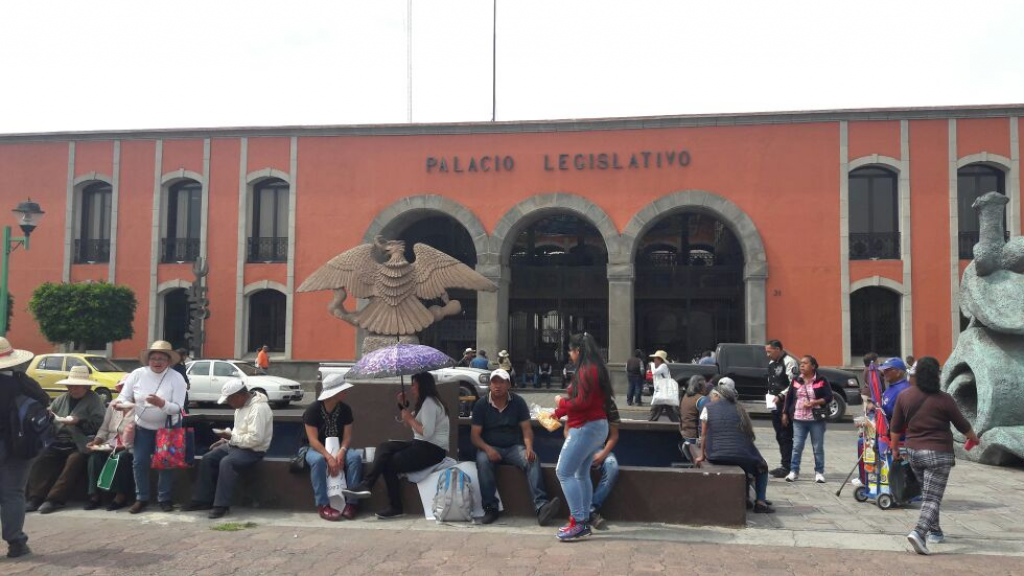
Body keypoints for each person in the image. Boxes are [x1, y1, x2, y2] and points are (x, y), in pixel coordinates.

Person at [889, 356, 981, 556]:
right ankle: (919, 533)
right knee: (933, 497)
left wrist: (894, 448)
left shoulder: (905, 396)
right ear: (937, 376)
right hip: (939, 454)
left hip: (914, 453)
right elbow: (962, 425)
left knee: (929, 493)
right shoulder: (945, 399)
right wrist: (973, 438)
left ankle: (935, 531)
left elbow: (895, 427)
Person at [344, 372, 449, 519]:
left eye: (414, 385)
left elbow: (427, 433)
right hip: (420, 444)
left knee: (389, 463)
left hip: (432, 449)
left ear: (422, 386)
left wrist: (410, 418)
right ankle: (367, 484)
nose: (412, 388)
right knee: (384, 447)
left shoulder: (430, 403)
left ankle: (394, 505)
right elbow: (409, 423)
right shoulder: (423, 403)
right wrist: (403, 406)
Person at [471, 369, 560, 526]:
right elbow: (475, 436)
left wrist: (529, 448)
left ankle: (541, 507)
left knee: (532, 459)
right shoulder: (481, 404)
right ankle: (490, 508)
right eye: (494, 382)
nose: (497, 385)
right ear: (490, 385)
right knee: (483, 461)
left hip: (513, 447)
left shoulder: (518, 402)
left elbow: (527, 429)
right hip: (490, 446)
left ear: (508, 385)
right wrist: (488, 448)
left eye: (501, 382)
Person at [112, 340, 189, 514]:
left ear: (168, 361)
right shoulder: (138, 374)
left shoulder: (177, 378)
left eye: (161, 358)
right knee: (139, 462)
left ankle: (165, 498)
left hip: (168, 428)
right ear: (148, 360)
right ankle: (142, 498)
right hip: (143, 426)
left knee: (166, 464)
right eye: (153, 358)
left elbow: (178, 408)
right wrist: (120, 404)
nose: (157, 361)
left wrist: (161, 403)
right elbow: (124, 397)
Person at [551, 333, 611, 541]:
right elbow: (583, 401)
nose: (569, 354)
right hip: (596, 427)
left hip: (585, 428)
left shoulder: (586, 371)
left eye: (570, 350)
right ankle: (583, 519)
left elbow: (581, 404)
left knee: (563, 472)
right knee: (580, 473)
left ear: (577, 351)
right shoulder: (595, 369)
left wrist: (560, 403)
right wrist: (557, 414)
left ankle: (578, 521)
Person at [186, 379, 273, 519]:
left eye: (229, 400)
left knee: (227, 462)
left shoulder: (258, 409)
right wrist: (226, 439)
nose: (229, 404)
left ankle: (221, 505)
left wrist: (231, 438)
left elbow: (256, 440)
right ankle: (202, 500)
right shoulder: (240, 406)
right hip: (236, 446)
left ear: (239, 396)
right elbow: (240, 433)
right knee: (209, 458)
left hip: (254, 451)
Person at [25, 365, 105, 514]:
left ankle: (54, 499)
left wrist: (78, 422)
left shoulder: (95, 401)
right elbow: (49, 417)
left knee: (73, 462)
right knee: (41, 458)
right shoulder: (61, 399)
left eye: (77, 386)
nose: (73, 389)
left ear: (86, 387)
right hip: (57, 442)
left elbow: (97, 425)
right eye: (70, 386)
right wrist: (48, 417)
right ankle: (35, 497)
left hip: (81, 443)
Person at [0, 337, 48, 558]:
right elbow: (44, 401)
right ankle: (16, 542)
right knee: (14, 493)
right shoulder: (24, 382)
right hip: (22, 445)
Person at [696, 385, 774, 513]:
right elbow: (750, 435)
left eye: (711, 397)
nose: (710, 399)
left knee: (744, 465)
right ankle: (760, 501)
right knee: (761, 467)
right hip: (740, 455)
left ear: (716, 396)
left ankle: (746, 498)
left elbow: (703, 434)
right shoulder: (739, 408)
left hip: (716, 455)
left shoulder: (707, 408)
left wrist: (702, 455)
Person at [302, 374, 363, 521]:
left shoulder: (345, 409)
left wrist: (342, 451)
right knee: (318, 461)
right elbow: (313, 440)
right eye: (342, 390)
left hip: (339, 447)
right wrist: (328, 457)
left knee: (354, 458)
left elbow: (347, 436)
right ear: (334, 393)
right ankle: (323, 505)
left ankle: (351, 503)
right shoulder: (313, 410)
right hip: (315, 448)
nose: (345, 392)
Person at [84, 377, 135, 511]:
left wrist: (124, 446)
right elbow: (104, 428)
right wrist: (96, 441)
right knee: (95, 456)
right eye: (123, 388)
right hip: (111, 442)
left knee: (121, 457)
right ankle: (94, 495)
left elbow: (142, 434)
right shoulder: (114, 405)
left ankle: (120, 496)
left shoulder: (140, 407)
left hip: (131, 446)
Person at [782, 355, 833, 483]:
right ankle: (794, 471)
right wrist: (784, 413)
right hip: (798, 419)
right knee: (797, 446)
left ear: (813, 366)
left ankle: (819, 472)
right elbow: (789, 398)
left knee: (817, 447)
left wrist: (814, 402)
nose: (802, 366)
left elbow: (829, 397)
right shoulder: (796, 380)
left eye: (805, 363)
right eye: (801, 364)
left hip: (816, 420)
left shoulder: (821, 380)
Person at [765, 340, 798, 478]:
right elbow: (771, 382)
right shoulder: (771, 364)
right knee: (779, 434)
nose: (768, 354)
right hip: (774, 403)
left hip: (786, 403)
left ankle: (787, 466)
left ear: (778, 349)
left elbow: (793, 384)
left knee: (785, 435)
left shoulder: (789, 362)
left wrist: (780, 395)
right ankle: (784, 463)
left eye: (770, 351)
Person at [587, 396, 620, 531]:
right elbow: (567, 431)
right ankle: (588, 513)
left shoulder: (609, 403)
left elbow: (614, 435)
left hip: (601, 448)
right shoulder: (578, 399)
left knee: (612, 467)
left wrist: (603, 454)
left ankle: (590, 509)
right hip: (579, 447)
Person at [679, 375, 707, 463]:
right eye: (705, 386)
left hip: (684, 434)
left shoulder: (685, 397)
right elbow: (703, 422)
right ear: (700, 387)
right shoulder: (701, 399)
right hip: (694, 438)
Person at [647, 350, 679, 422]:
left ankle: (649, 426)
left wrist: (651, 365)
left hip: (661, 393)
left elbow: (654, 372)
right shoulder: (659, 367)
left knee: (654, 411)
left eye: (655, 358)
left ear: (659, 359)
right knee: (669, 411)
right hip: (662, 393)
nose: (654, 360)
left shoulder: (663, 366)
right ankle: (677, 425)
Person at [876, 357, 911, 422]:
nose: (884, 372)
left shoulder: (904, 389)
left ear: (898, 372)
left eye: (888, 370)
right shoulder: (892, 386)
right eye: (884, 370)